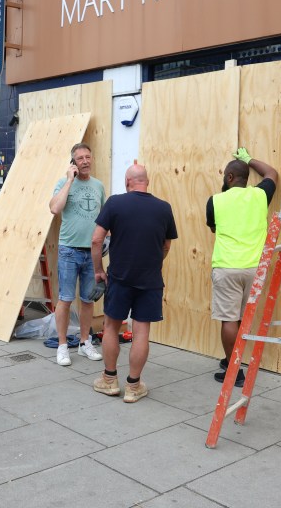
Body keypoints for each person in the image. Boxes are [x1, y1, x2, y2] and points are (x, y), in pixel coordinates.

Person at [91, 164, 177, 403]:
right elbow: (167, 245)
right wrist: (153, 264)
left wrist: (98, 271)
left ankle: (109, 381)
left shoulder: (115, 203)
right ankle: (133, 386)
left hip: (119, 278)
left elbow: (97, 240)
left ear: (128, 181)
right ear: (146, 182)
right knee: (141, 333)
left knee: (110, 327)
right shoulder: (163, 208)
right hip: (150, 280)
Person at [207, 147, 278, 387]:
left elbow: (214, 228)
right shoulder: (260, 195)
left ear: (228, 178)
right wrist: (248, 159)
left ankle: (233, 370)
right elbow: (271, 173)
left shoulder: (215, 201)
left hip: (227, 267)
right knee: (242, 318)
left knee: (229, 319)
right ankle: (232, 361)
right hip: (254, 269)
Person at [48, 142, 105, 366]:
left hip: (92, 252)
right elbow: (54, 208)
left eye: (87, 157)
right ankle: (63, 346)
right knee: (65, 299)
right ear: (73, 162)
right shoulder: (64, 183)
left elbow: (103, 216)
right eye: (80, 158)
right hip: (69, 250)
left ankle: (85, 342)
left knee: (88, 300)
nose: (85, 161)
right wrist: (69, 180)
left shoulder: (98, 186)